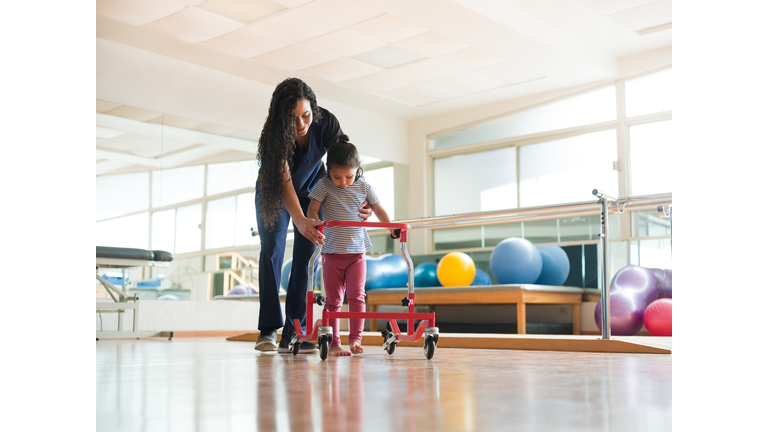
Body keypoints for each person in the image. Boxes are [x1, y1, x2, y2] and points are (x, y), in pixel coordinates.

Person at [253, 78, 372, 353]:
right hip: (275, 192)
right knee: (272, 249)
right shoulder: (274, 135)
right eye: (292, 118)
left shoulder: (325, 122)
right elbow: (284, 181)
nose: (301, 123)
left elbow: (345, 160)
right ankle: (269, 328)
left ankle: (296, 330)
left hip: (313, 190)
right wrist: (299, 218)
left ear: (313, 109)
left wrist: (360, 197)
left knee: (308, 257)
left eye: (305, 115)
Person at [307, 135, 396, 356]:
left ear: (358, 169)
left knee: (357, 296)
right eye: (337, 176)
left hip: (357, 254)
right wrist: (314, 223)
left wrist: (391, 227)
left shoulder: (365, 186)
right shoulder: (324, 185)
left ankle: (355, 339)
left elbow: (379, 210)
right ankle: (334, 341)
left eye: (349, 176)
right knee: (333, 301)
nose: (343, 182)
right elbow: (312, 208)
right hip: (332, 254)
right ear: (329, 169)